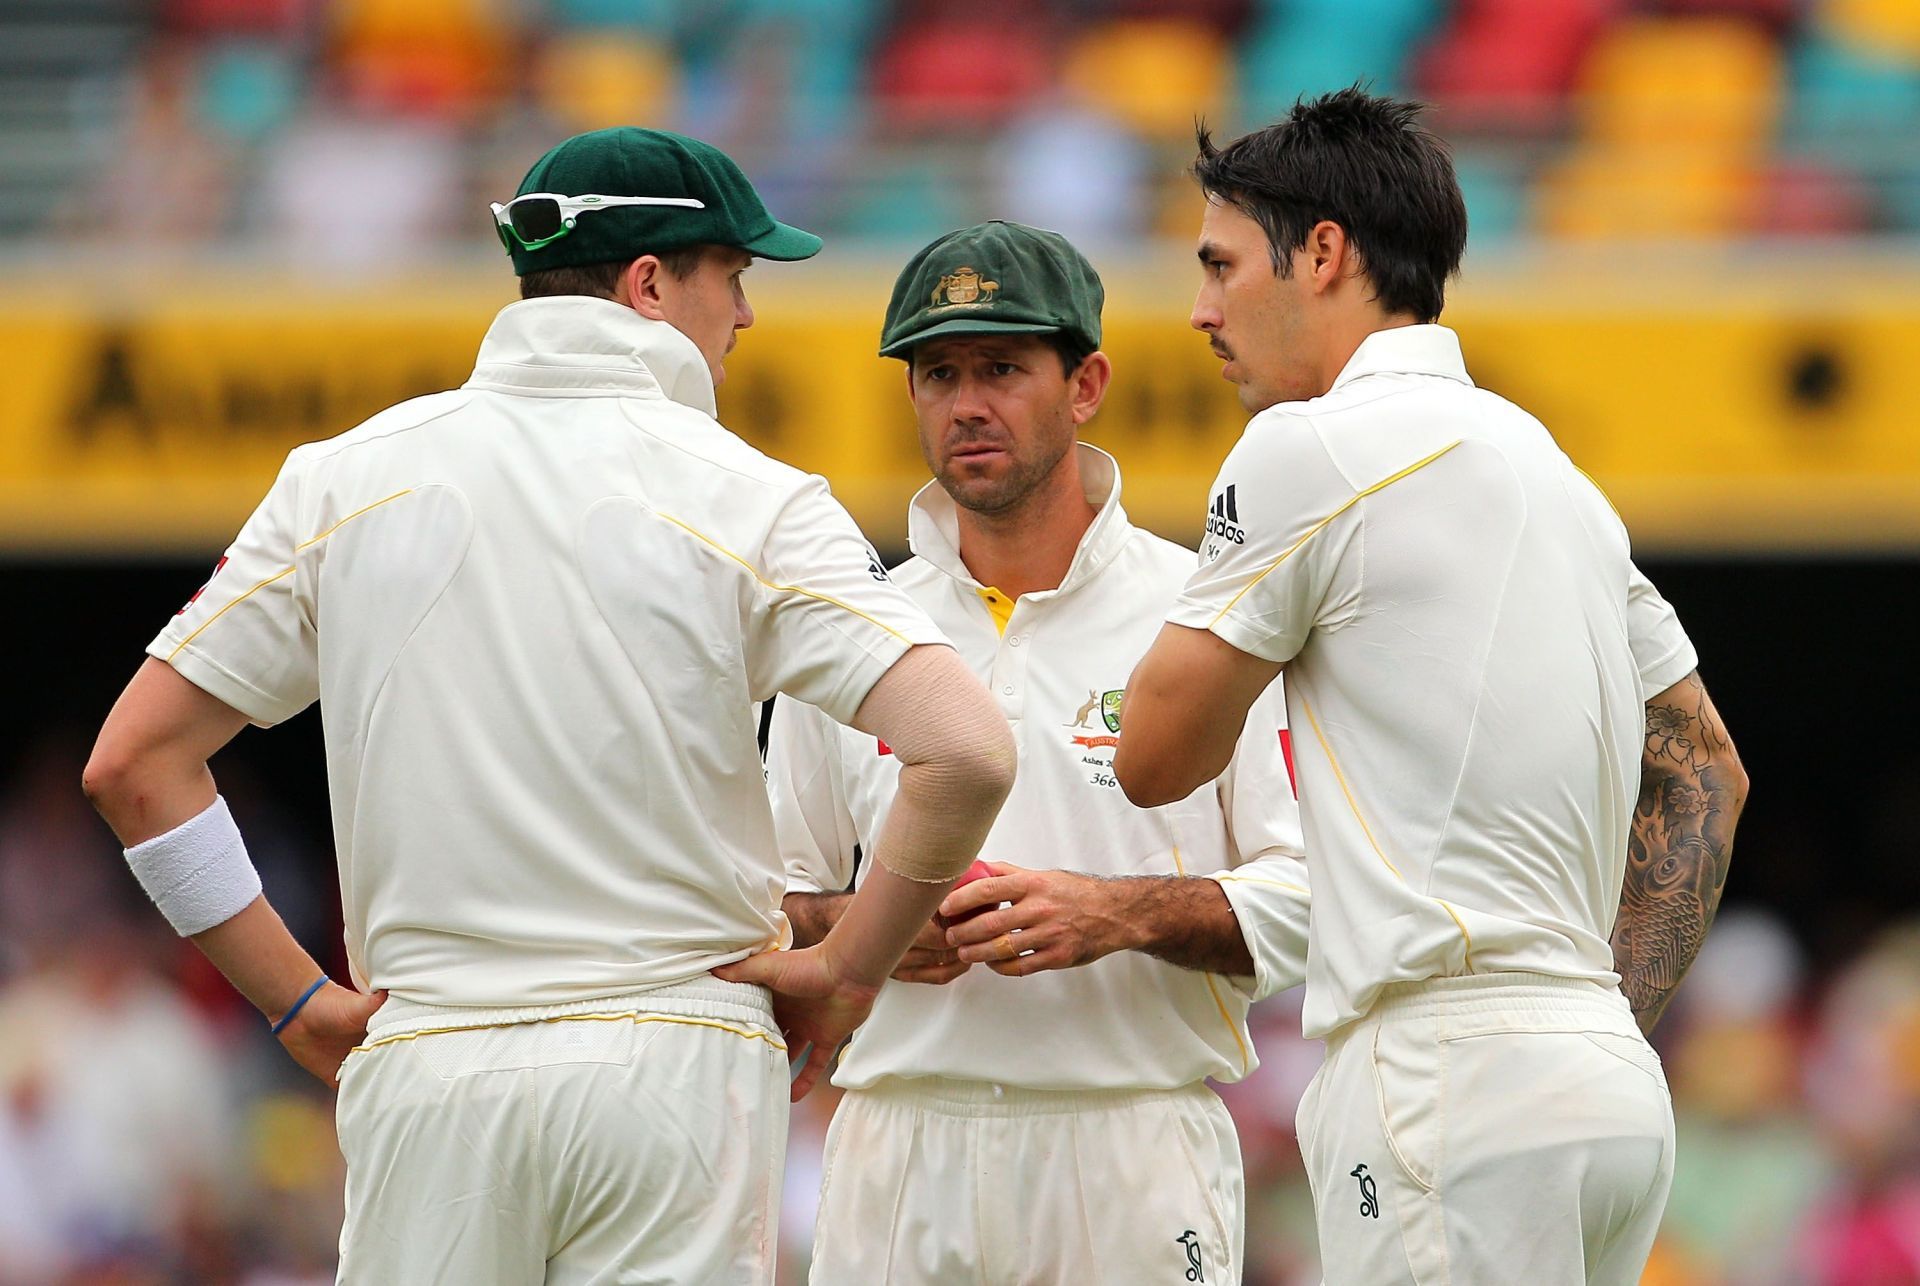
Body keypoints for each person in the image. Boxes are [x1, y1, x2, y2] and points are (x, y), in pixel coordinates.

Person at [81, 126, 1015, 1284]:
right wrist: (847, 971)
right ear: (649, 284)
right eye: (735, 274)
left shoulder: (342, 477)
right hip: (674, 1061)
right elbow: (966, 750)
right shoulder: (753, 494)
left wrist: (299, 1002)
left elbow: (134, 767)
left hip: (431, 1066)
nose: (748, 315)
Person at [1112, 89, 1750, 1285]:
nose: (1200, 310)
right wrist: (1596, 1012)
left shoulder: (1305, 450)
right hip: (1601, 1075)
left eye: (1219, 264)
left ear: (1323, 252)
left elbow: (1156, 756)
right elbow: (1706, 761)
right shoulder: (1556, 472)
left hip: (1439, 1072)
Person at [765, 220, 1311, 1284]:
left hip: (1133, 1145)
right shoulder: (853, 632)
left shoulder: (1206, 615)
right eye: (939, 373)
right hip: (898, 1148)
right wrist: (869, 925)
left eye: (1005, 367)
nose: (969, 402)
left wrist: (1113, 912)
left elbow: (1316, 900)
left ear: (1087, 382)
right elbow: (766, 902)